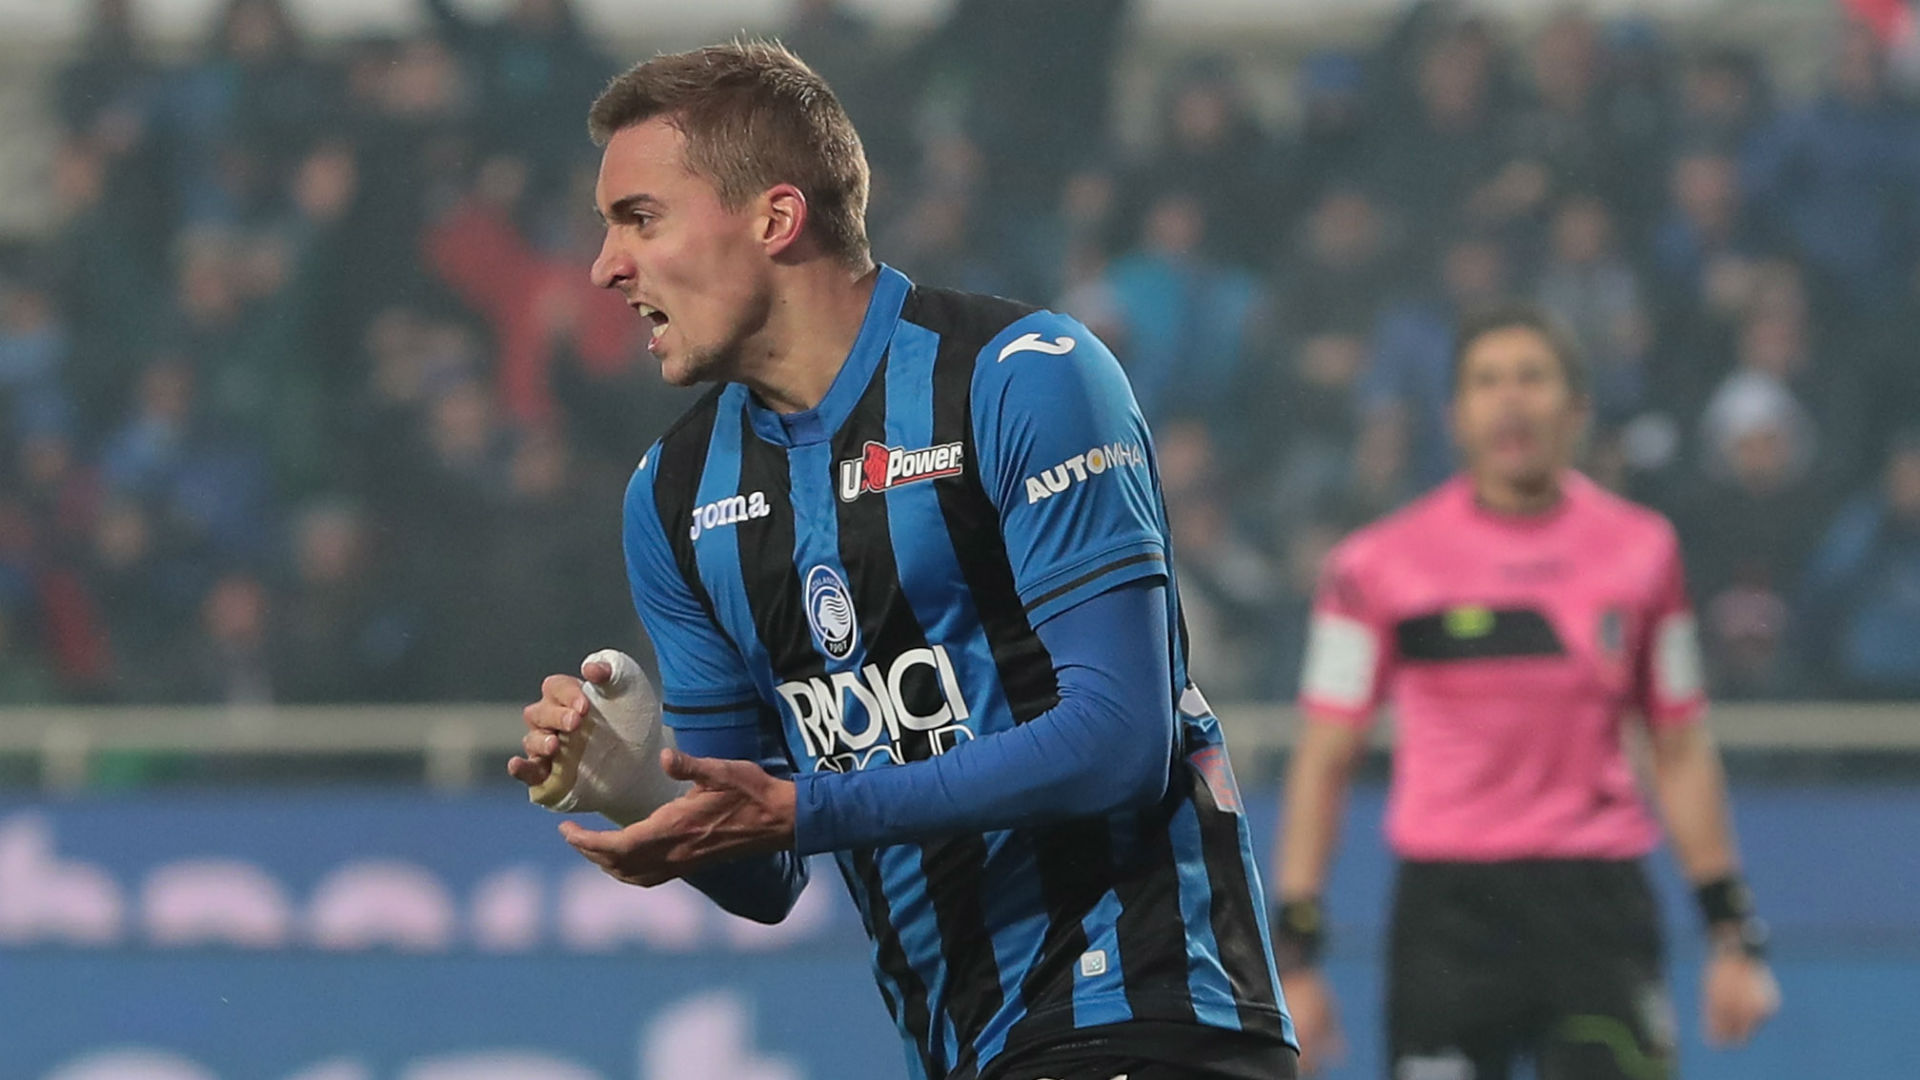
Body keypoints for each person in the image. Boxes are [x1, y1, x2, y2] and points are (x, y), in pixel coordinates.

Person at [505, 42, 1297, 1080]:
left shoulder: (1023, 378)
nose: (606, 266)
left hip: (1148, 1013)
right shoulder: (673, 496)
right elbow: (768, 872)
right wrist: (639, 792)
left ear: (775, 219)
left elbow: (1119, 739)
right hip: (963, 1048)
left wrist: (809, 809)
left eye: (639, 219)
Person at [1270, 305, 1779, 1078]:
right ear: (1455, 414)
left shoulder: (1645, 552)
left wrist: (1731, 932)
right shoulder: (1372, 565)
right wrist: (1295, 955)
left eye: (1532, 378)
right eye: (1487, 381)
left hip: (1597, 914)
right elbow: (1324, 757)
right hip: (1447, 920)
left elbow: (1678, 744)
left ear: (1577, 409)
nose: (1510, 399)